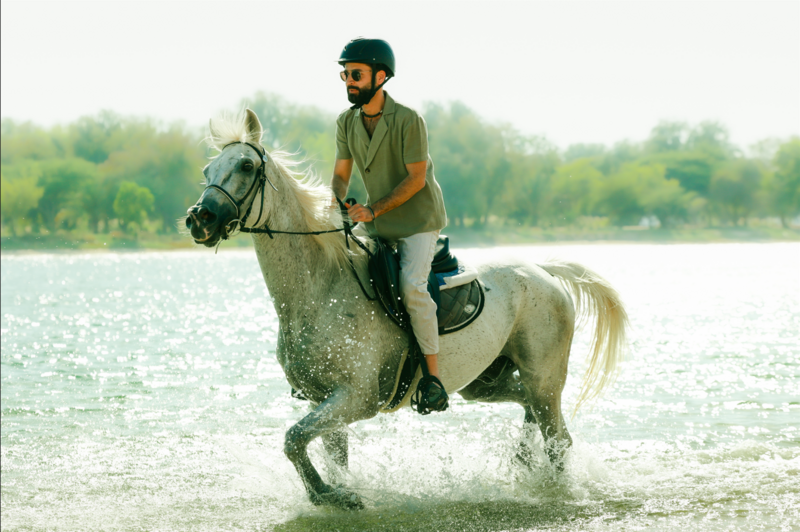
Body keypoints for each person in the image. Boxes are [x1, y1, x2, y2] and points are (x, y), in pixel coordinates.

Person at [330, 38, 449, 413]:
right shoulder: (346, 121)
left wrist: (372, 210)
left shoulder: (409, 119)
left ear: (380, 76)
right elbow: (339, 176)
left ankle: (433, 380)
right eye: (345, 73)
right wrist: (340, 203)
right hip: (374, 222)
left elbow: (416, 180)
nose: (348, 80)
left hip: (417, 221)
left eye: (356, 73)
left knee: (412, 288)